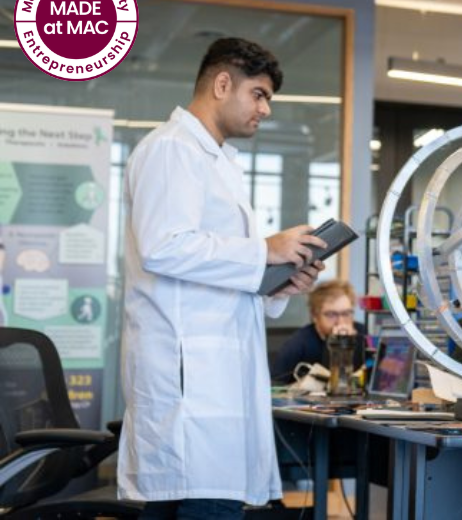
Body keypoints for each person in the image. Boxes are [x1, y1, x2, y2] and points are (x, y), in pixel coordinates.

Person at [118, 37, 327, 520]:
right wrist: (263, 251)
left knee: (212, 501)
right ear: (222, 83)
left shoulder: (218, 163)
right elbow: (163, 246)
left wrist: (276, 279)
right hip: (189, 382)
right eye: (258, 94)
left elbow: (217, 267)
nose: (266, 109)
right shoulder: (172, 150)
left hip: (215, 380)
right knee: (204, 504)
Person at [271, 279, 367, 385]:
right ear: (314, 316)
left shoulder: (364, 335)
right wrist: (335, 344)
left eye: (346, 313)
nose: (341, 322)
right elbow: (274, 387)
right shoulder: (297, 345)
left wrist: (350, 343)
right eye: (331, 314)